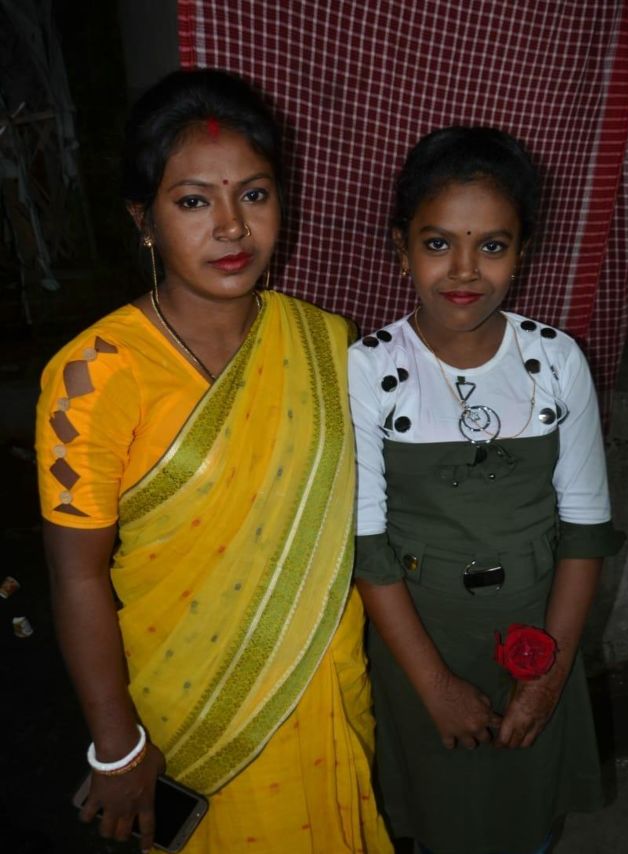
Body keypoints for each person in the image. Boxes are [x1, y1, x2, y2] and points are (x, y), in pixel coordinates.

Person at [36, 68, 392, 854]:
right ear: (144, 220)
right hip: (185, 713)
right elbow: (75, 576)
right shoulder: (95, 375)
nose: (232, 227)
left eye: (254, 195)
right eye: (194, 202)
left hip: (323, 685)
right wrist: (117, 746)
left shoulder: (327, 344)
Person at [348, 127, 623, 854]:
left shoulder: (556, 362)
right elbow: (367, 545)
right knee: (440, 816)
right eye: (438, 243)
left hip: (540, 635)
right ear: (401, 246)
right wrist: (434, 685)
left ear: (521, 251)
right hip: (419, 642)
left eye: (492, 245)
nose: (464, 270)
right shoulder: (366, 370)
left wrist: (548, 678)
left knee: (530, 812)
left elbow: (585, 530)